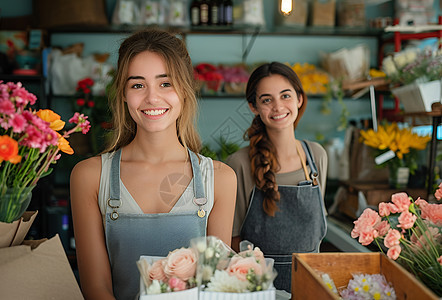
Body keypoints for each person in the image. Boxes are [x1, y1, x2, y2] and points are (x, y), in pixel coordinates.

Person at [70, 29, 237, 300]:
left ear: (184, 89)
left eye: (165, 83)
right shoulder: (89, 176)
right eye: (137, 85)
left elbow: (213, 285)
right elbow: (96, 288)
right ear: (123, 93)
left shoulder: (220, 178)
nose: (152, 98)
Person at [226, 62, 328, 293]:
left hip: (312, 285)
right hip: (259, 290)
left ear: (299, 99)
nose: (278, 106)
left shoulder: (317, 156)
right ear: (254, 107)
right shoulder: (239, 164)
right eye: (266, 100)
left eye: (285, 95)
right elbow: (231, 242)